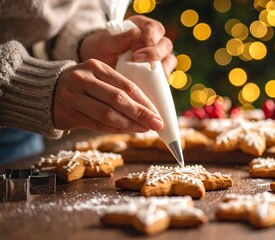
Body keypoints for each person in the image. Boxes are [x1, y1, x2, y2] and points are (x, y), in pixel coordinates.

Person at [0, 1, 177, 163]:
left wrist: (84, 42)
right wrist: (18, 83)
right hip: (21, 110)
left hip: (22, 136)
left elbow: (74, 5)